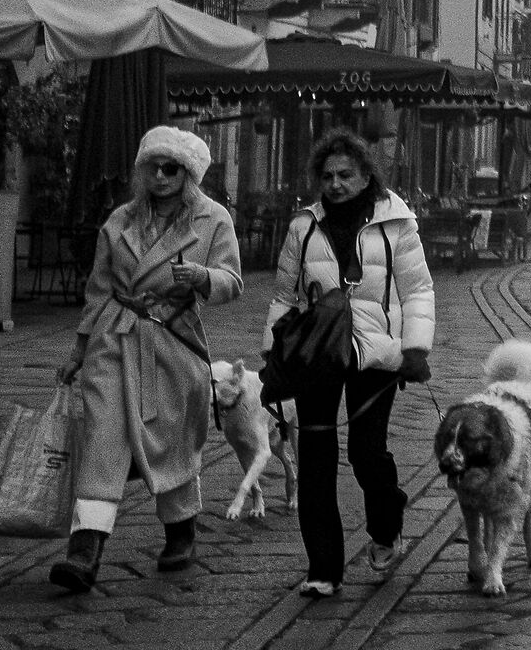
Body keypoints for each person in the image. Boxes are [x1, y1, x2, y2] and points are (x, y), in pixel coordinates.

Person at [48, 126, 244, 592]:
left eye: (170, 168)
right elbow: (98, 289)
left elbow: (233, 281)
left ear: (189, 174)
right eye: (151, 167)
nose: (159, 176)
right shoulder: (120, 220)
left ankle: (181, 530)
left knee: (173, 437)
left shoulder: (213, 220)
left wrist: (203, 277)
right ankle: (85, 550)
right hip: (114, 341)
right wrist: (79, 349)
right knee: (102, 437)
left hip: (173, 342)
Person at [267, 128, 435, 597]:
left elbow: (417, 288)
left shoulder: (396, 222)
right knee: (316, 457)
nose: (336, 183)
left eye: (346, 175)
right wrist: (273, 355)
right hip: (318, 351)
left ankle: (386, 523)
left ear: (366, 176)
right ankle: (323, 567)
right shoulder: (304, 225)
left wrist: (415, 348)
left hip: (376, 351)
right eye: (328, 176)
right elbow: (285, 294)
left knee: (366, 451)